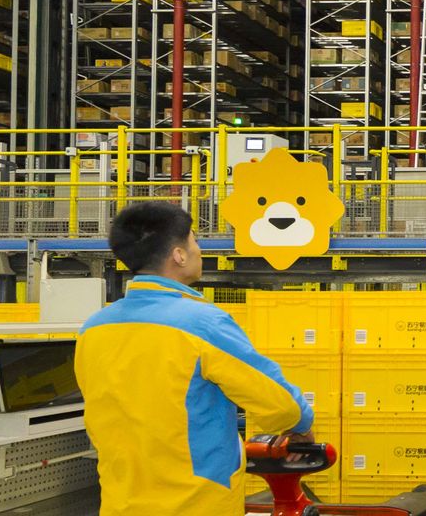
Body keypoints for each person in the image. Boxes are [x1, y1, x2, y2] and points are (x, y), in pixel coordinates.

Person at [77, 201, 314, 516]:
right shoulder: (202, 324)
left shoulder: (93, 328)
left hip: (120, 502)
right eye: (194, 241)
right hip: (194, 502)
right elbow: (277, 400)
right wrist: (299, 426)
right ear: (179, 255)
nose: (199, 250)